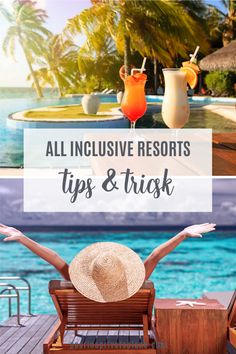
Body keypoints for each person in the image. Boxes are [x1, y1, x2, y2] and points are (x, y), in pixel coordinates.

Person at [0, 223, 215, 282]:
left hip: (81, 320)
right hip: (132, 320)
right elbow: (155, 256)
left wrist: (23, 238)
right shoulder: (138, 281)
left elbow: (54, 259)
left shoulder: (75, 282)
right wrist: (183, 234)